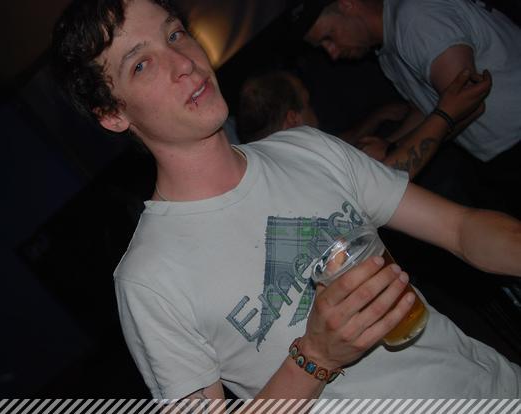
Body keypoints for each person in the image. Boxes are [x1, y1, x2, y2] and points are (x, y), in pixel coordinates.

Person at [51, 0, 521, 403]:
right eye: (141, 64)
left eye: (174, 34)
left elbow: (461, 230)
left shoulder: (306, 148)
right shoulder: (149, 278)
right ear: (112, 114)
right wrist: (315, 357)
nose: (183, 62)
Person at [293, 0, 521, 216]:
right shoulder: (387, 50)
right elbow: (432, 107)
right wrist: (387, 146)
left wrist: (395, 149)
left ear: (347, 4)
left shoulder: (417, 21)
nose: (332, 53)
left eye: (329, 37)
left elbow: (467, 103)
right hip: (501, 151)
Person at [236, 69, 490, 179]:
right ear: (293, 119)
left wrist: (376, 122)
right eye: (308, 103)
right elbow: (390, 174)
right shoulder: (307, 165)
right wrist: (446, 113)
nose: (315, 113)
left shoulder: (265, 167)